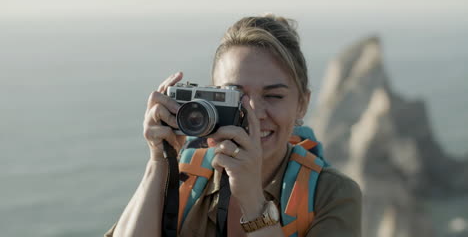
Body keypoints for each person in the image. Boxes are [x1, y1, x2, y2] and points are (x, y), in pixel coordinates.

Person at [105, 14, 361, 237]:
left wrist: (252, 199)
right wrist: (159, 162)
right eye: (235, 96)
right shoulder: (184, 177)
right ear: (210, 99)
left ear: (302, 104)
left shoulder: (332, 195)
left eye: (273, 96)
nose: (254, 113)